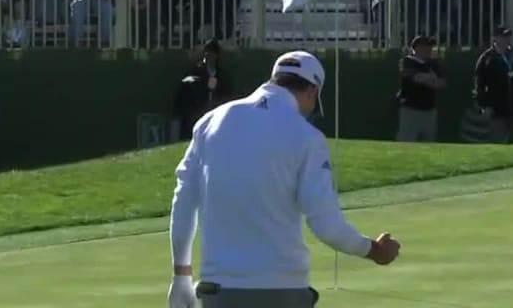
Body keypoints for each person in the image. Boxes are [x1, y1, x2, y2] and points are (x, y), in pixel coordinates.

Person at [168, 50, 400, 308]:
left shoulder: (209, 123)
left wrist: (181, 276)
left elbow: (184, 200)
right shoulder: (307, 137)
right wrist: (375, 250)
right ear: (312, 91)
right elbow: (327, 225)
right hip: (281, 289)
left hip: (217, 291)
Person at [474, 27, 513, 143]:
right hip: (497, 109)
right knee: (498, 142)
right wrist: (484, 105)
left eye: (508, 36)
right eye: (503, 36)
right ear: (495, 38)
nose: (506, 39)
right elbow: (480, 84)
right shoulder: (487, 58)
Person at [395, 36, 446, 142]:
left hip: (430, 110)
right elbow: (416, 78)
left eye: (430, 47)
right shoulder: (407, 61)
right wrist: (431, 78)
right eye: (426, 46)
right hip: (411, 109)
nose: (429, 49)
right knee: (406, 142)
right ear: (417, 48)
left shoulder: (433, 63)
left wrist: (427, 79)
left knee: (429, 143)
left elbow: (441, 83)